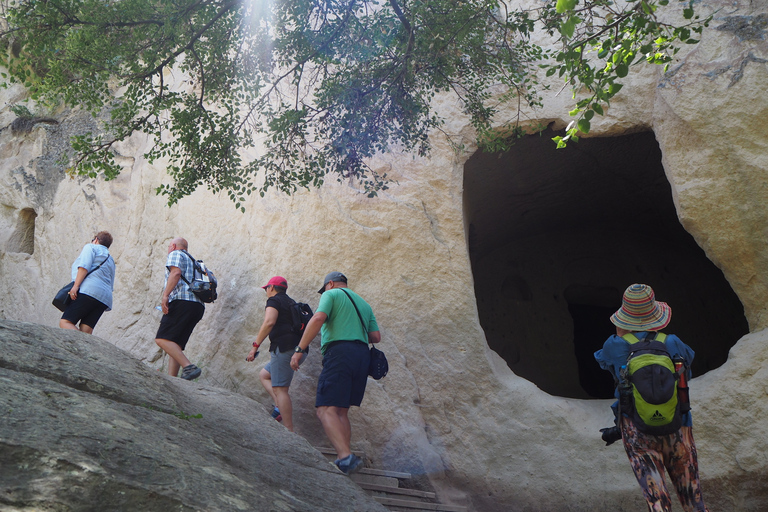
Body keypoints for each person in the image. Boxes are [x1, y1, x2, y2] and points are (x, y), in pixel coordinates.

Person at [594, 284, 709, 512]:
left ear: (624, 317)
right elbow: (688, 366)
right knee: (693, 501)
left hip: (637, 431)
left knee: (658, 502)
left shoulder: (614, 345)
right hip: (679, 428)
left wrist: (622, 336)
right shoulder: (673, 342)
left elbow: (604, 362)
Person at [290, 271, 380, 475]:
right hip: (362, 356)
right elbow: (376, 336)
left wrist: (299, 349)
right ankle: (344, 458)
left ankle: (345, 457)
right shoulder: (364, 304)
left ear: (330, 284)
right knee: (340, 410)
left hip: (339, 353)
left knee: (325, 409)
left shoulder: (331, 295)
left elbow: (319, 317)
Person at [246, 276, 307, 432]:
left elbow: (269, 322)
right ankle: (279, 407)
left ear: (271, 288)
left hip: (284, 348)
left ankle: (289, 431)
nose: (266, 291)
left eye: (266, 288)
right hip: (299, 349)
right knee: (264, 375)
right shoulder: (290, 302)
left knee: (281, 389)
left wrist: (255, 346)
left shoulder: (273, 301)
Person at [154, 237, 205, 381]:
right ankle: (173, 380)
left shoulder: (176, 254)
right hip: (197, 306)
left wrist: (165, 296)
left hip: (182, 301)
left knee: (162, 339)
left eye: (169, 246)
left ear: (173, 246)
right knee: (175, 344)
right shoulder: (194, 262)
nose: (168, 249)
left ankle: (189, 367)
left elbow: (175, 273)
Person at [59, 231, 116, 334]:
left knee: (65, 322)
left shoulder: (91, 247)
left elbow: (84, 266)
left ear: (96, 240)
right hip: (105, 298)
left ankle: (81, 345)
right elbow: (111, 283)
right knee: (86, 330)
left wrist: (76, 286)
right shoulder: (111, 259)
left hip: (88, 291)